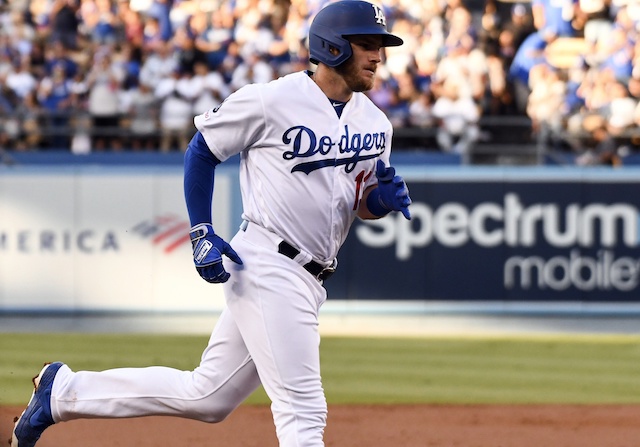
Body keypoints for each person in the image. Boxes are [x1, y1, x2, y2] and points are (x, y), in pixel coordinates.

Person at [9, 2, 412, 447]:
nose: (378, 55)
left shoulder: (376, 123)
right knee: (303, 411)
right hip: (267, 262)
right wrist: (200, 230)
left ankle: (62, 393)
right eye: (367, 44)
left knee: (209, 395)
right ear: (333, 46)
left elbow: (359, 203)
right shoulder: (272, 99)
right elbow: (202, 150)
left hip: (310, 274)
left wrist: (380, 201)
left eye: (380, 45)